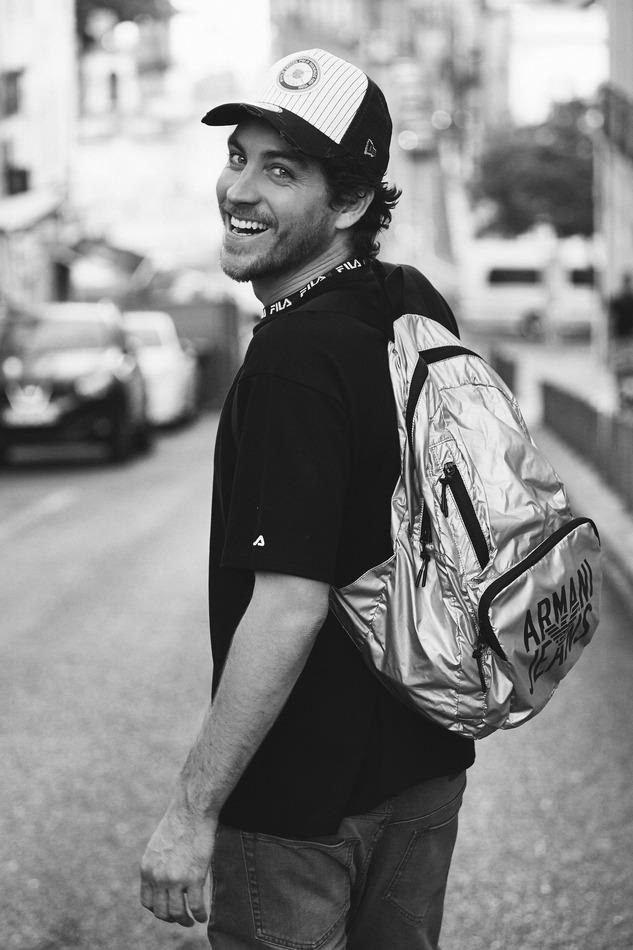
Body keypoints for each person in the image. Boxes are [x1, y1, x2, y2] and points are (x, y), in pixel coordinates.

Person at [140, 48, 475, 949]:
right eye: (238, 157)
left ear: (352, 202)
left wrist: (191, 812)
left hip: (300, 811)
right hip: (423, 768)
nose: (238, 190)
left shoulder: (292, 359)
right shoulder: (409, 303)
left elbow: (289, 607)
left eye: (281, 171)